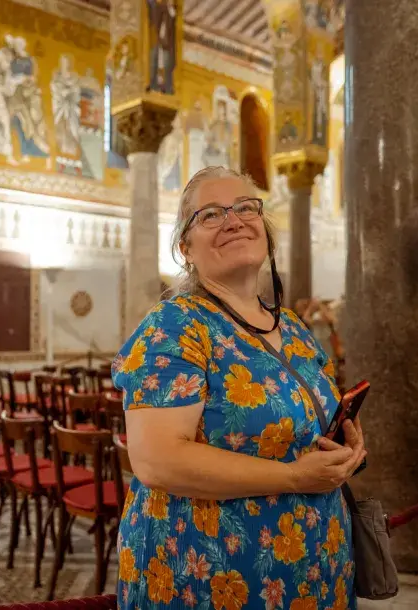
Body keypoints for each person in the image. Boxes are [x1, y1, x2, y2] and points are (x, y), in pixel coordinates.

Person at [113, 167, 365, 610]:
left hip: (314, 564)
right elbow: (156, 459)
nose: (233, 220)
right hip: (208, 571)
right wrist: (294, 476)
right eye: (210, 215)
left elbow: (304, 421)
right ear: (185, 248)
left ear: (265, 233)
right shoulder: (176, 324)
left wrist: (343, 442)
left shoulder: (292, 326)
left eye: (246, 208)